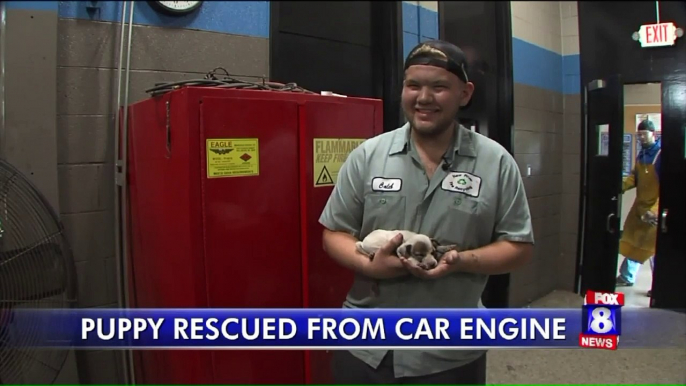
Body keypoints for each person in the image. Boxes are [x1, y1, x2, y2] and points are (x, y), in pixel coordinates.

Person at [318, 40, 534, 385]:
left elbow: (518, 247)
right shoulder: (368, 156)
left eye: (439, 87)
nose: (423, 98)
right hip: (363, 345)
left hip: (448, 354)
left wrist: (460, 261)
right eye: (413, 85)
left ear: (465, 93)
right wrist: (368, 265)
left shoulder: (496, 164)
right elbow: (334, 234)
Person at [616, 119, 661, 297]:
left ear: (653, 133)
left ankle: (659, 285)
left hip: (654, 210)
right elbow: (634, 178)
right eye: (639, 134)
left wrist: (656, 210)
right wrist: (618, 186)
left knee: (653, 249)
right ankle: (627, 276)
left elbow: (670, 187)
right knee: (633, 242)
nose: (641, 137)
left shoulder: (660, 155)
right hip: (640, 208)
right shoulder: (642, 155)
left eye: (644, 133)